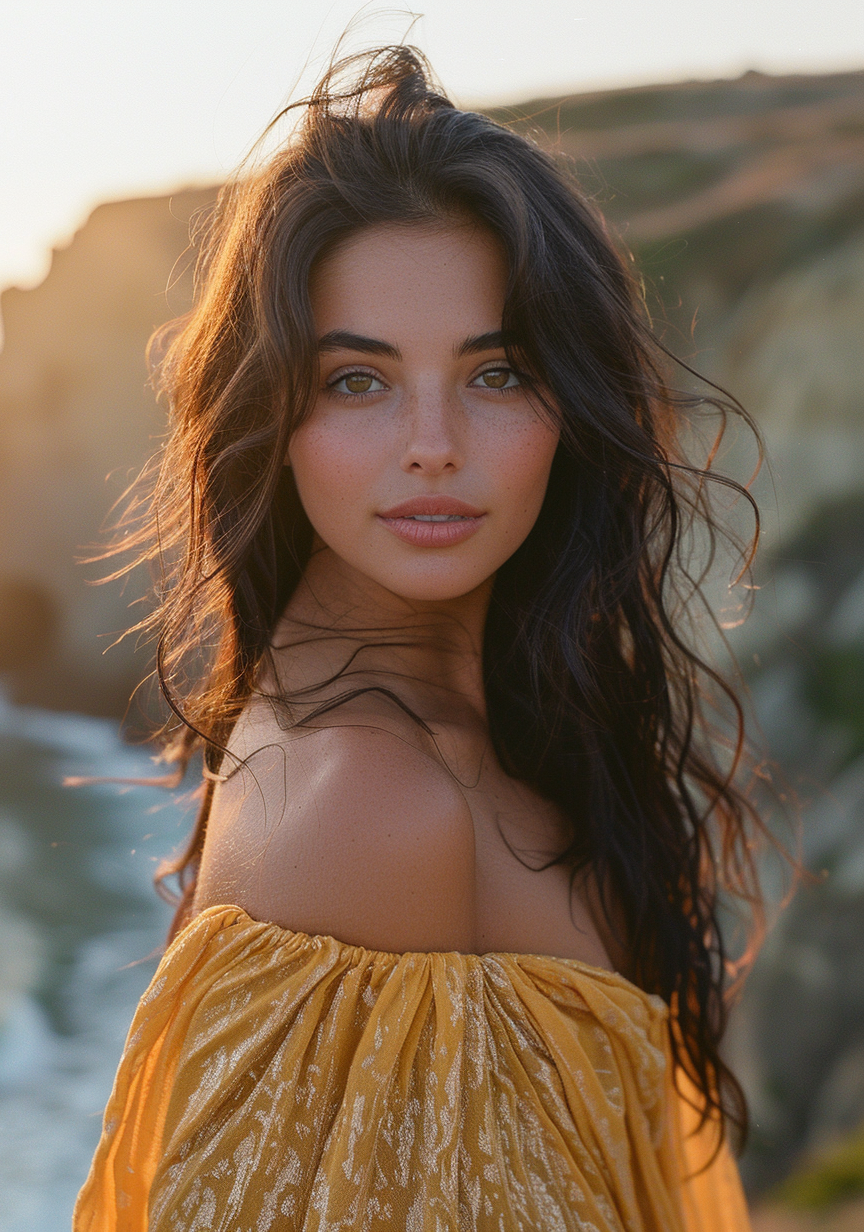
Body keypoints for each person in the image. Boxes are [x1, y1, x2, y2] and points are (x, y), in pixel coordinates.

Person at [73, 44, 766, 1231]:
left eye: (496, 372)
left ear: (570, 403)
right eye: (357, 380)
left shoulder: (387, 719)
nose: (432, 443)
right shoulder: (375, 804)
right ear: (271, 413)